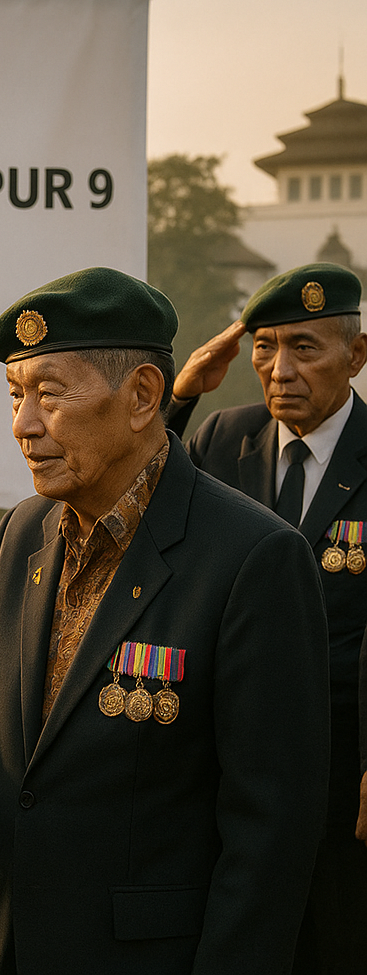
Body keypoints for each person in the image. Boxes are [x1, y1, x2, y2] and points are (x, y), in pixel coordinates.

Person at [0, 267, 331, 974]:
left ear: (142, 397)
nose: (23, 424)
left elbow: (270, 832)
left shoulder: (252, 558)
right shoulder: (23, 534)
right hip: (15, 946)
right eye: (14, 395)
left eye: (51, 395)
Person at [166, 261, 367, 974]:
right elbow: (140, 493)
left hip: (344, 763)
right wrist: (180, 398)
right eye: (265, 348)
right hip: (225, 757)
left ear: (356, 355)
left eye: (304, 348)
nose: (279, 369)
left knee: (337, 936)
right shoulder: (224, 439)